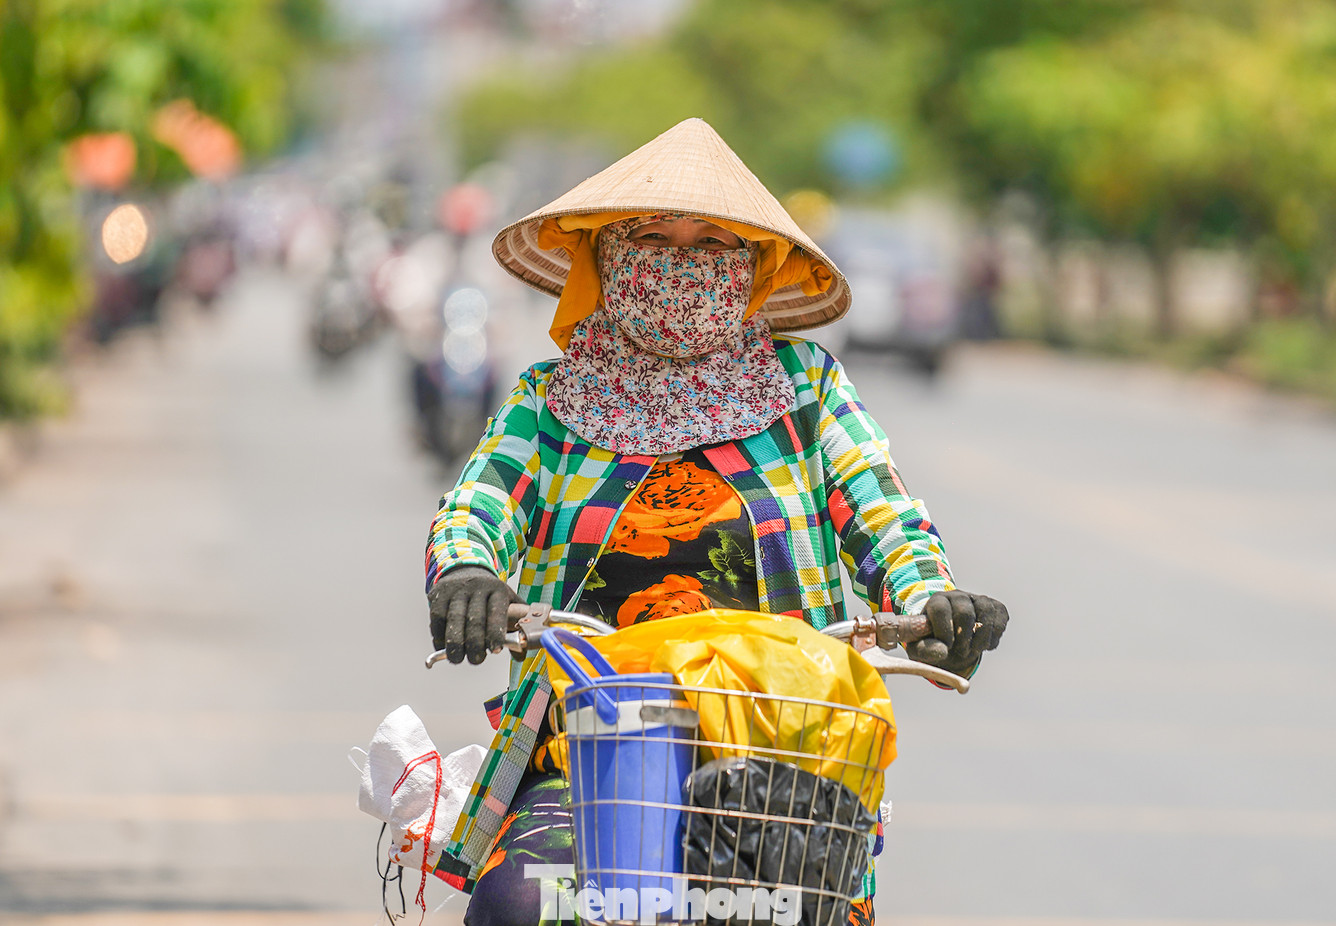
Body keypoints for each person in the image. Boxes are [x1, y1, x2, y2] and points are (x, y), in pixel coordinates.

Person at [423, 119, 1009, 926]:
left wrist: (935, 596)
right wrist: (466, 570)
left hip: (780, 748)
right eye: (655, 236)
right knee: (520, 903)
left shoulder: (806, 390)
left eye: (711, 244)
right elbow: (479, 502)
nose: (683, 260)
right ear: (608, 256)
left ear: (753, 266)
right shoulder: (548, 402)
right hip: (600, 743)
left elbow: (887, 518)